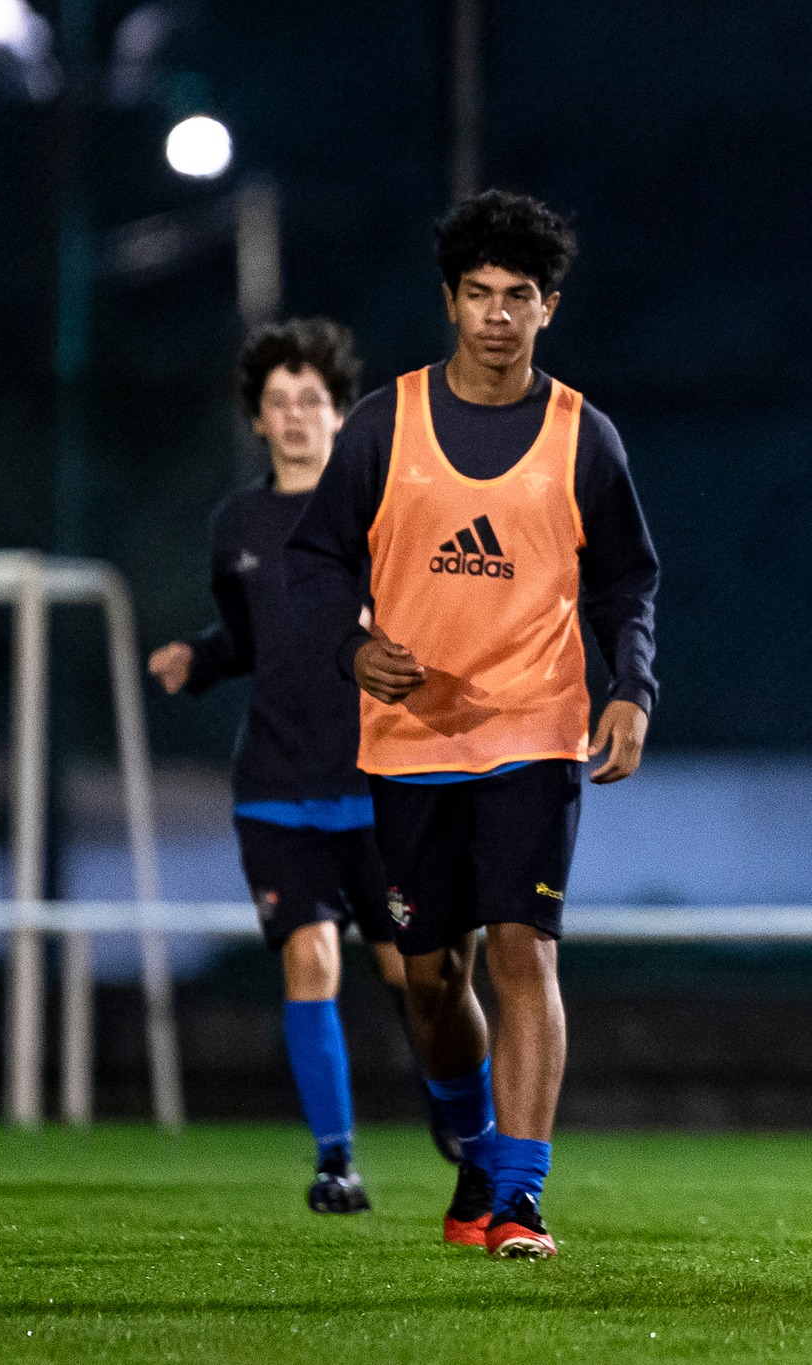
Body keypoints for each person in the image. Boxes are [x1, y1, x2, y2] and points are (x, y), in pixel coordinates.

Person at [287, 189, 660, 1260]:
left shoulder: (583, 436)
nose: (497, 316)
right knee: (425, 976)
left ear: (548, 310)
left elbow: (627, 581)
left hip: (534, 732)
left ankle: (520, 1195)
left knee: (520, 948)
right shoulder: (383, 425)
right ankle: (469, 1136)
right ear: (450, 301)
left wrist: (630, 688)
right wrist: (354, 649)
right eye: (478, 295)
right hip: (407, 744)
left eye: (520, 298)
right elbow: (313, 560)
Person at [150, 317, 454, 1213]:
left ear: (337, 413)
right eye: (278, 402)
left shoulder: (379, 516)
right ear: (257, 418)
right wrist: (200, 661)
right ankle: (336, 1161)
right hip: (278, 793)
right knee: (310, 960)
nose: (294, 416)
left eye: (310, 401)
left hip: (377, 788)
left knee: (410, 970)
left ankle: (452, 1103)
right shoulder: (237, 527)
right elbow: (251, 640)